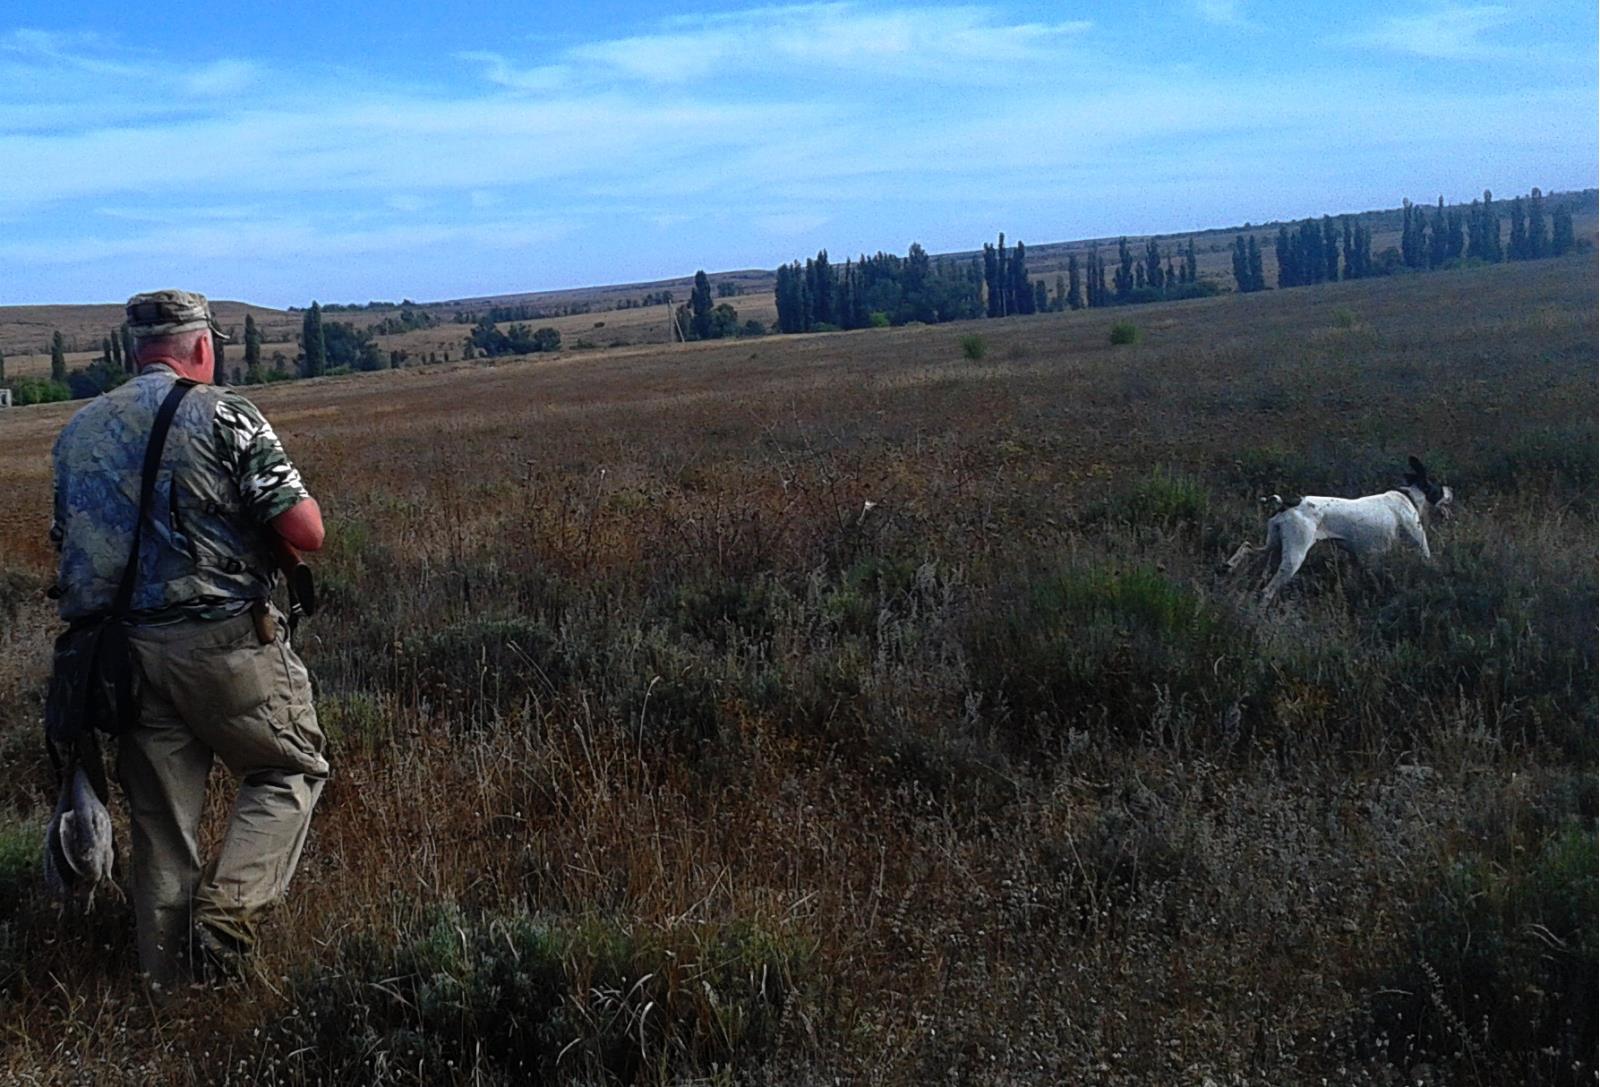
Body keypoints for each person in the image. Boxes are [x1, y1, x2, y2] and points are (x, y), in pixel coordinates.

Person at [50, 289, 328, 995]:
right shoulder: (227, 413)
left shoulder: (78, 430)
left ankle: (168, 992)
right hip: (225, 644)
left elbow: (67, 543)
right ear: (203, 347)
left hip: (123, 659)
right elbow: (306, 531)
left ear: (131, 349)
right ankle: (228, 918)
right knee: (288, 770)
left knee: (160, 827)